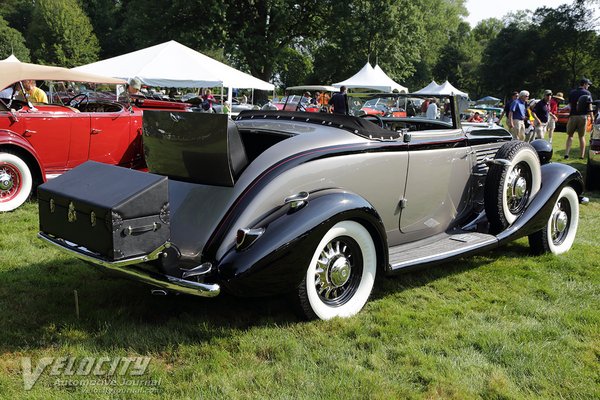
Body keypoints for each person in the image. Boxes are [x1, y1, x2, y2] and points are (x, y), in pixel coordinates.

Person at [565, 78, 593, 159]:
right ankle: (582, 156)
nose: (588, 86)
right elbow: (590, 107)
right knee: (581, 136)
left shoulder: (572, 92)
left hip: (573, 116)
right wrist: (592, 118)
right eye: (588, 84)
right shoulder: (587, 93)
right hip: (583, 117)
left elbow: (570, 105)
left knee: (570, 136)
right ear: (584, 84)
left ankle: (566, 154)